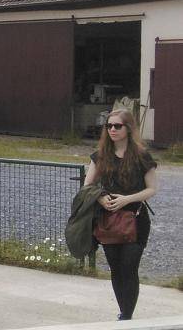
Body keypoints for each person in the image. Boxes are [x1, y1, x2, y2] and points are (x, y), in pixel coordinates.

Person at [84, 109, 157, 321]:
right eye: (109, 126)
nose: (112, 130)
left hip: (135, 218)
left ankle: (127, 316)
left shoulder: (141, 156)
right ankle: (123, 312)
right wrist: (99, 198)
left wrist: (128, 199)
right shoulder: (101, 156)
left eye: (117, 126)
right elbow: (88, 185)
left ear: (128, 128)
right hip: (108, 220)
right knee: (115, 267)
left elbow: (152, 188)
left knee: (129, 266)